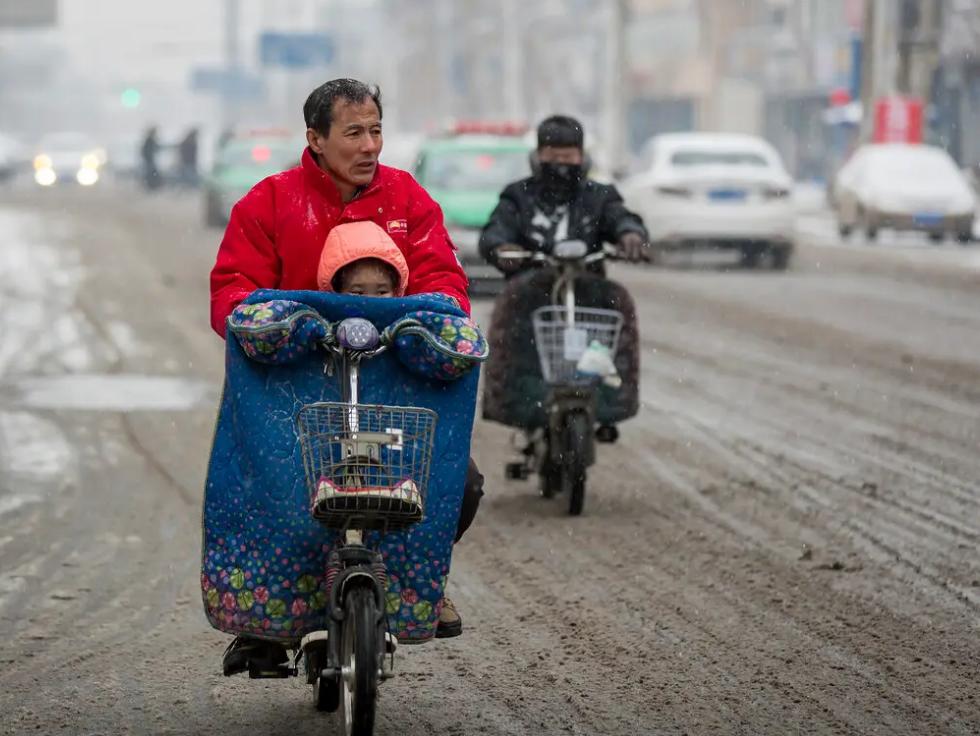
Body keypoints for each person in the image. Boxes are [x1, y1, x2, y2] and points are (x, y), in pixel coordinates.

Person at [212, 79, 474, 676]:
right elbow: (231, 292)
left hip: (390, 386)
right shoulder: (270, 202)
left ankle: (413, 588)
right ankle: (269, 618)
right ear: (316, 138)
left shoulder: (408, 199)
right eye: (353, 132)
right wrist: (280, 326)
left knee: (459, 484)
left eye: (376, 130)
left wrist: (427, 324)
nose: (370, 145)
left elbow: (447, 284)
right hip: (294, 390)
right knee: (268, 489)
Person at [315, 221, 484, 639]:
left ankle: (424, 586)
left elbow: (451, 303)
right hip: (328, 436)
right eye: (356, 292)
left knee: (464, 482)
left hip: (392, 439)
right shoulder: (313, 333)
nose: (370, 302)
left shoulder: (411, 334)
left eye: (383, 292)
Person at [479, 114, 650, 271]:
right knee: (508, 304)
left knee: (621, 301)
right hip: (529, 288)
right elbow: (496, 229)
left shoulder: (599, 196)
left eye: (568, 157)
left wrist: (630, 233)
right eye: (552, 157)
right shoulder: (518, 195)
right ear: (537, 157)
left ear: (582, 158)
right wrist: (500, 247)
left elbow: (621, 218)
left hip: (589, 288)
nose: (560, 164)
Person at [140, 126, 162, 191]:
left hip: (149, 160)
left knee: (151, 173)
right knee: (151, 173)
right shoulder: (149, 140)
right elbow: (146, 151)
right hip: (149, 160)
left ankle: (151, 186)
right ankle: (151, 186)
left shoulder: (149, 140)